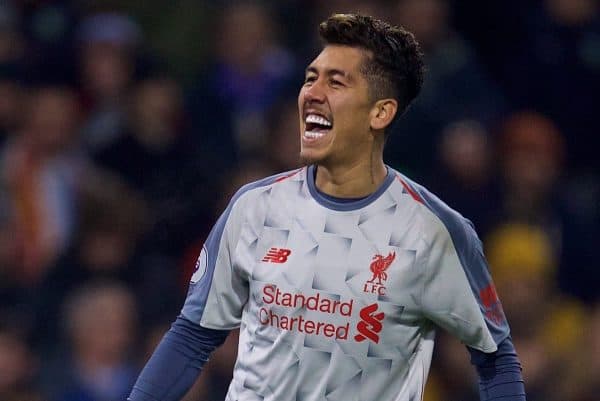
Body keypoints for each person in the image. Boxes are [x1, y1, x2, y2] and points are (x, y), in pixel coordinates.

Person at [128, 13, 526, 401]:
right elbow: (194, 334)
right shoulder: (254, 207)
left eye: (335, 82)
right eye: (310, 78)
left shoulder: (434, 229)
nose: (311, 93)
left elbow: (495, 358)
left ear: (380, 112)